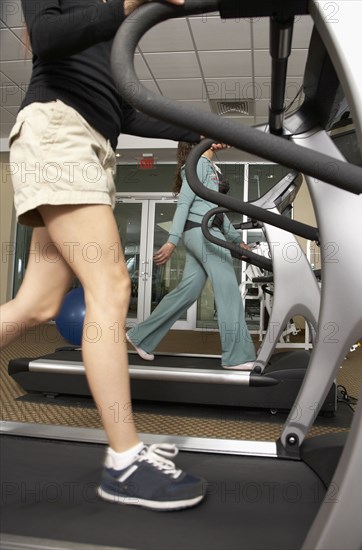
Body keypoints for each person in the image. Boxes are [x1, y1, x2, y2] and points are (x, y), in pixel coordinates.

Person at [0, 0, 208, 511]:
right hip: (59, 133)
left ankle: (127, 457)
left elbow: (123, 107)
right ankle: (124, 461)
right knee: (111, 286)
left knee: (40, 306)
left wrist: (200, 132)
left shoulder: (104, 28)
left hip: (87, 143)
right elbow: (45, 37)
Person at [127, 142, 257, 369]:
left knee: (188, 291)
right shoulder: (195, 165)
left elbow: (217, 212)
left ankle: (141, 336)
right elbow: (184, 204)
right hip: (203, 232)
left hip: (204, 230)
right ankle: (237, 357)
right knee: (228, 291)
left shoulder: (209, 167)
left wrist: (238, 241)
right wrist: (172, 240)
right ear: (199, 143)